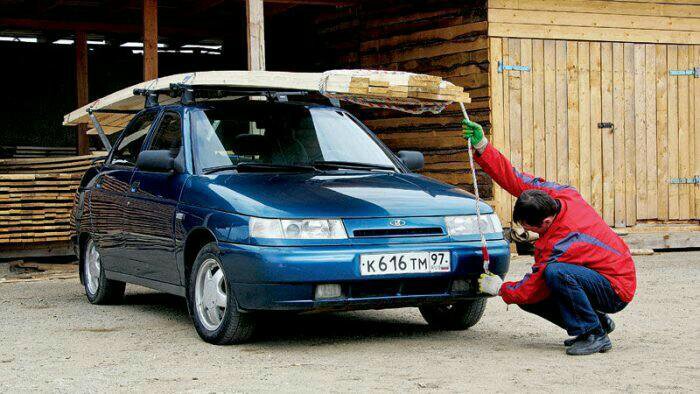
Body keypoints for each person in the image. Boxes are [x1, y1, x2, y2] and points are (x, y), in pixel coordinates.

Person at [463, 120, 636, 356]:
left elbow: (534, 286)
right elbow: (514, 179)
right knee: (534, 290)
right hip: (599, 273)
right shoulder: (558, 195)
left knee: (553, 275)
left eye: (530, 229)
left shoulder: (562, 242)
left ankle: (594, 334)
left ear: (545, 223)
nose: (528, 233)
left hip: (616, 287)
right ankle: (597, 322)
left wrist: (501, 289)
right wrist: (483, 146)